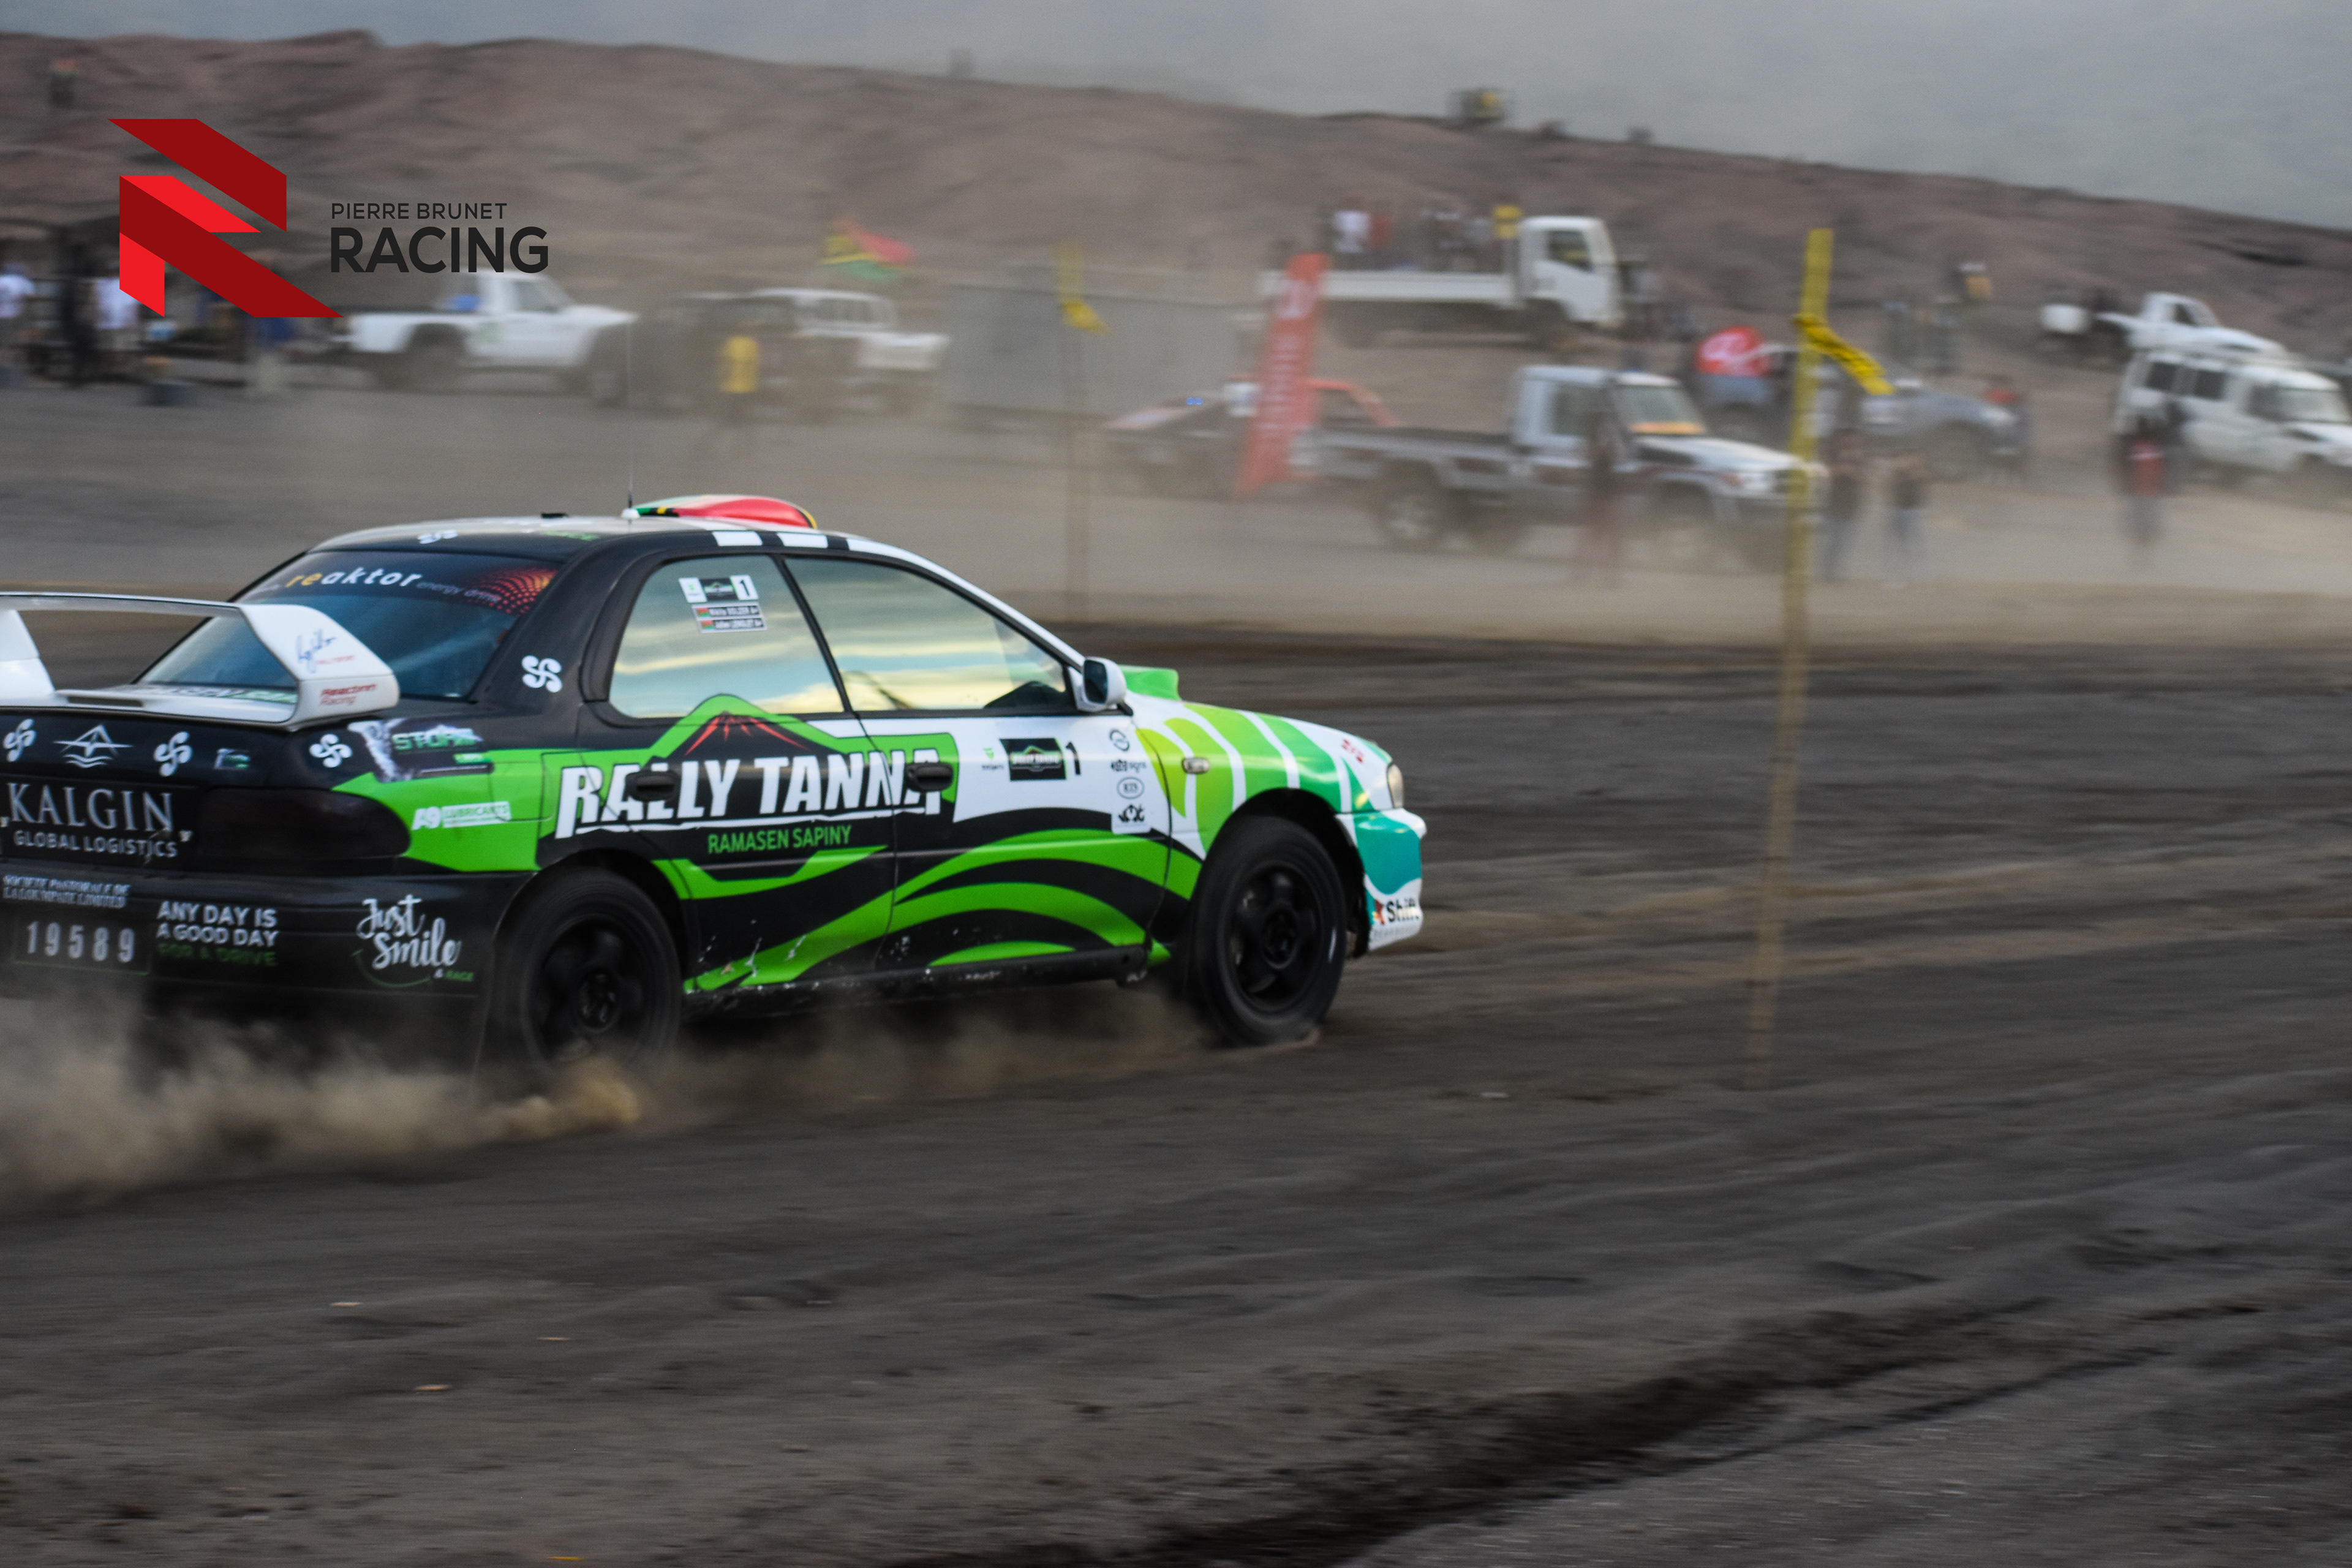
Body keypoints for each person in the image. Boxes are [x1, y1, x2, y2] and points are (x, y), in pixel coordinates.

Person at [1574, 409, 1626, 583]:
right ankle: (1587, 572)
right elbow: (1591, 456)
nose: (1606, 425)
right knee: (1595, 533)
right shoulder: (1593, 440)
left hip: (1604, 490)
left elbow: (1617, 455)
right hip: (1599, 490)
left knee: (1604, 534)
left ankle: (1607, 574)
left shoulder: (1611, 438)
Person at [697, 327, 761, 459]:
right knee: (743, 420)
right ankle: (744, 450)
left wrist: (720, 379)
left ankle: (706, 444)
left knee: (725, 419)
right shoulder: (752, 344)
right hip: (746, 386)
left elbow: (723, 363)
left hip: (729, 386)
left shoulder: (729, 343)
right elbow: (755, 366)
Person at [1817, 428, 1866, 581]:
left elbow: (1865, 480)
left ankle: (1836, 572)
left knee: (1844, 543)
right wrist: (1842, 468)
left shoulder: (1860, 458)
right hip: (1833, 506)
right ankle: (1828, 572)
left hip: (1851, 508)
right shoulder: (1831, 455)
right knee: (1832, 541)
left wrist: (1852, 471)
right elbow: (1824, 474)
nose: (1850, 442)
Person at [2117, 417, 2166, 567]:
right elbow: (2159, 471)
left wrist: (2126, 487)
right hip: (2150, 493)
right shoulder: (2154, 448)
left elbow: (2129, 470)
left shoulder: (2135, 447)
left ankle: (2136, 558)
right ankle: (2144, 559)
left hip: (2138, 493)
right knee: (2147, 527)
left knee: (2138, 527)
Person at [1885, 446, 1930, 580]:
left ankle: (1918, 574)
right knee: (1900, 544)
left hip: (1913, 511)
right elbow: (1889, 486)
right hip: (1899, 509)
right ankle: (1901, 573)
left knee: (1915, 544)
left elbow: (1924, 478)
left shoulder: (1918, 473)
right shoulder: (1898, 472)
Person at [0, 251, 32, 377]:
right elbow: (28, 297)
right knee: (16, 342)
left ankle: (3, 368)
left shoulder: (2, 280)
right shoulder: (20, 282)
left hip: (2, 315)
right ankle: (15, 369)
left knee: (3, 344)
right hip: (15, 314)